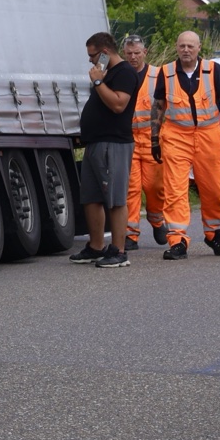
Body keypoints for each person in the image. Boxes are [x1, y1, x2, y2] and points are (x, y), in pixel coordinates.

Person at [152, 30, 220, 259]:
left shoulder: (212, 69)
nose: (186, 50)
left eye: (190, 46)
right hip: (176, 136)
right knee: (175, 190)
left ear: (199, 48)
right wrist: (154, 138)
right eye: (182, 46)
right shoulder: (166, 73)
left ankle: (215, 235)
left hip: (209, 136)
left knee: (214, 189)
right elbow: (158, 106)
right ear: (176, 48)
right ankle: (177, 241)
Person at [73, 31, 142, 268]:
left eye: (93, 56)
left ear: (104, 53)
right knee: (91, 197)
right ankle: (95, 246)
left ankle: (119, 250)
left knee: (114, 198)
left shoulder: (124, 72)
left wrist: (98, 82)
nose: (91, 61)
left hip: (114, 143)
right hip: (95, 143)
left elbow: (118, 104)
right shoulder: (107, 72)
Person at [121, 34, 167, 250]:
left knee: (154, 186)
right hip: (128, 141)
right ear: (124, 53)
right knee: (130, 188)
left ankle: (157, 221)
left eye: (137, 53)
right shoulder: (119, 75)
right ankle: (130, 234)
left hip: (153, 141)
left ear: (145, 53)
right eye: (129, 53)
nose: (133, 57)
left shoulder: (158, 75)